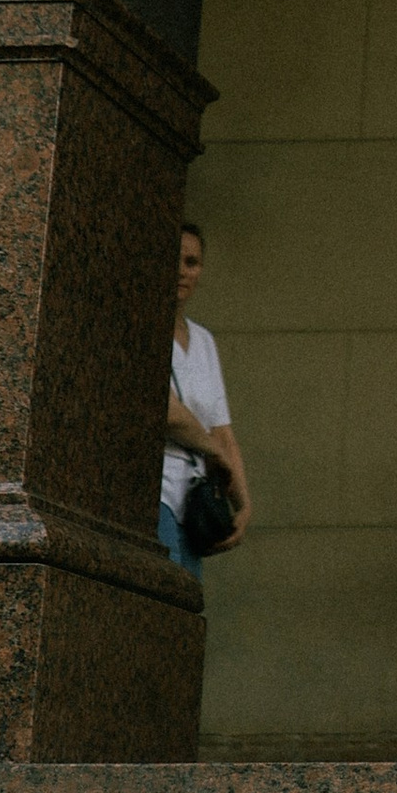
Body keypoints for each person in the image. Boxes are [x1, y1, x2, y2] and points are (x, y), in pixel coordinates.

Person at [161, 220, 250, 564]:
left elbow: (222, 431)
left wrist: (242, 505)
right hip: (158, 493)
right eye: (174, 259)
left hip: (194, 501)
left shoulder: (204, 341)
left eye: (192, 263)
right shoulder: (140, 325)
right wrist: (213, 450)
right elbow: (169, 414)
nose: (182, 271)